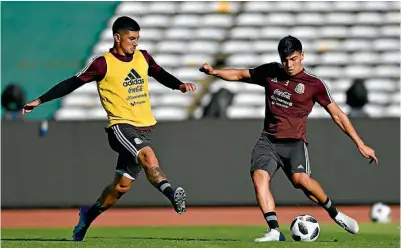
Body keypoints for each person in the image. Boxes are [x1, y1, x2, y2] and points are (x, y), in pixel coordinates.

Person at [22, 16, 196, 241]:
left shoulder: (142, 57)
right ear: (117, 37)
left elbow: (159, 72)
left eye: (138, 39)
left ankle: (87, 216)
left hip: (144, 129)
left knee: (120, 189)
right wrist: (40, 100)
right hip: (120, 127)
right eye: (131, 38)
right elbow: (72, 82)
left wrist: (179, 85)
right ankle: (172, 194)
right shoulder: (102, 63)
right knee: (148, 156)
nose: (135, 43)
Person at [199, 35, 378, 242]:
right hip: (268, 141)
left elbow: (338, 115)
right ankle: (274, 230)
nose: (289, 64)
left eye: (293, 59)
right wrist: (214, 72)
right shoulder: (271, 72)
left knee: (301, 181)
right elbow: (239, 75)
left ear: (302, 56)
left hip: (294, 143)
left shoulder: (314, 84)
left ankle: (335, 214)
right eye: (285, 60)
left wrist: (360, 143)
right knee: (259, 178)